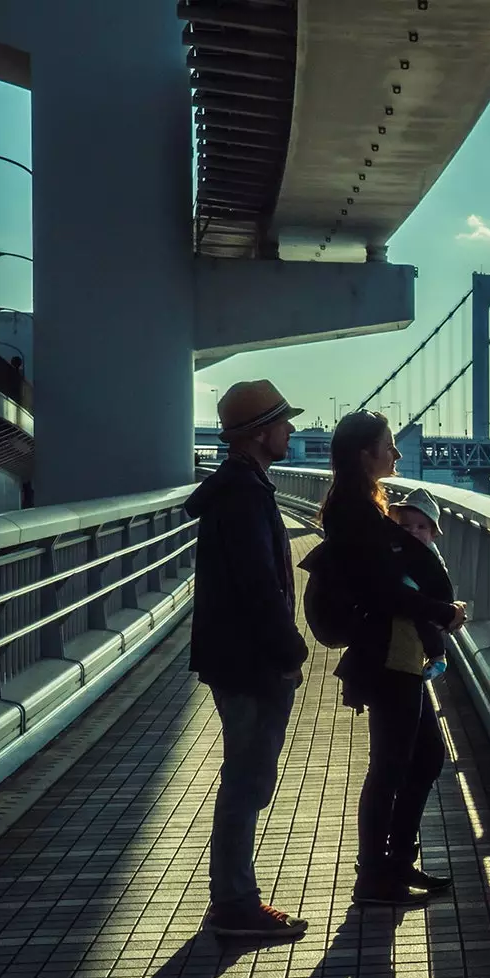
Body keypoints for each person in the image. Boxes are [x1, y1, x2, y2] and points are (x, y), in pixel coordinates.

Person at [317, 410, 466, 908]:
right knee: (391, 765)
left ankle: (396, 863)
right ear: (365, 454)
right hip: (385, 654)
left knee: (422, 757)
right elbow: (382, 591)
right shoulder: (356, 514)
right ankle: (374, 876)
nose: (397, 454)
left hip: (398, 651)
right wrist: (441, 612)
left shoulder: (363, 507)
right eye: (389, 445)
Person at [185, 379, 311, 940]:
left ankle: (233, 899)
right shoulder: (243, 496)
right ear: (261, 433)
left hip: (235, 657)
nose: (292, 431)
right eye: (284, 423)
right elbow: (259, 585)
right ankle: (234, 905)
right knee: (246, 779)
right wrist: (291, 651)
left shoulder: (242, 488)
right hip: (250, 662)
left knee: (246, 777)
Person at [387, 488, 452, 683]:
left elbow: (440, 575)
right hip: (409, 607)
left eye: (421, 527)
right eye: (406, 527)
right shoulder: (396, 548)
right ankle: (436, 657)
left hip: (421, 599)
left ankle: (437, 656)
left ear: (433, 533)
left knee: (424, 623)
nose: (413, 531)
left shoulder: (429, 553)